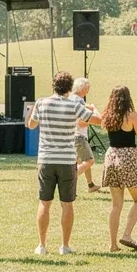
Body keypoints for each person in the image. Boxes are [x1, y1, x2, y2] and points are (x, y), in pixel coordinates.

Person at [27, 71, 98, 256]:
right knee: (67, 204)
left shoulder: (42, 103)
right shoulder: (74, 104)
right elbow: (95, 120)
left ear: (53, 86)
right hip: (67, 160)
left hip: (46, 159)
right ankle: (65, 246)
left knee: (44, 203)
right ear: (69, 88)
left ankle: (42, 245)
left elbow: (31, 125)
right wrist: (94, 110)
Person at [101, 85, 137, 251]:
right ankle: (127, 234)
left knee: (116, 205)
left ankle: (113, 244)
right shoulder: (132, 116)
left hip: (111, 156)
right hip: (127, 157)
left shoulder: (108, 115)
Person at [72, 77, 100, 192]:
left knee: (83, 161)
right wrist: (93, 111)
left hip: (73, 136)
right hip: (79, 135)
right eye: (87, 87)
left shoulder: (74, 99)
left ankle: (90, 185)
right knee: (89, 161)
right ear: (82, 88)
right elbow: (81, 122)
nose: (89, 89)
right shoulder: (78, 101)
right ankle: (69, 179)